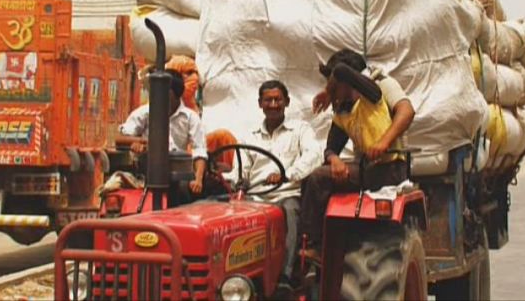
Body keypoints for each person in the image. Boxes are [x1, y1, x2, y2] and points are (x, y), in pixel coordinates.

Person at [300, 49, 416, 259]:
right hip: (366, 169)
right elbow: (331, 148)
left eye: (335, 84)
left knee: (318, 178)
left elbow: (407, 111)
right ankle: (311, 247)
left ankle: (317, 246)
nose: (333, 91)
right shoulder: (343, 111)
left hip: (389, 167)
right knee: (311, 180)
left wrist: (383, 142)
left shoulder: (374, 92)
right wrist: (334, 160)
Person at [222, 80, 322, 289]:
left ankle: (285, 275)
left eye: (278, 99)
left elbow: (314, 155)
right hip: (254, 197)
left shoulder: (300, 130)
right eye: (268, 100)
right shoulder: (250, 136)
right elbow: (241, 169)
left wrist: (286, 174)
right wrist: (229, 178)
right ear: (260, 104)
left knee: (290, 212)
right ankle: (231, 278)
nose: (274, 104)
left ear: (287, 102)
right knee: (223, 214)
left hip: (285, 194)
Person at [119, 69, 208, 196]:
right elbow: (120, 138)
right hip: (147, 172)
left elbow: (199, 150)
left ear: (172, 93)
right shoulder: (145, 112)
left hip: (175, 175)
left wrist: (198, 179)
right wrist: (138, 143)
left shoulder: (191, 117)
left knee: (185, 194)